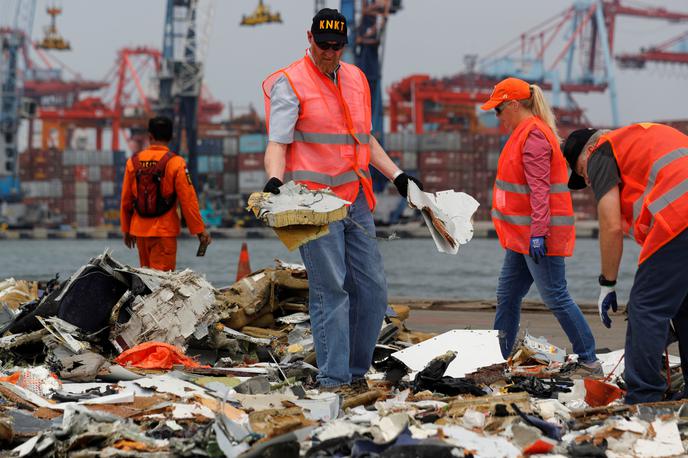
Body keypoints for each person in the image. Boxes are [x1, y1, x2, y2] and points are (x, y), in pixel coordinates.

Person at [261, 8, 423, 390]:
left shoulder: (356, 79)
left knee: (372, 290)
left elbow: (364, 139)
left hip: (355, 199)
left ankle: (354, 371)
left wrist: (397, 176)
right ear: (309, 38)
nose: (330, 53)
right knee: (330, 290)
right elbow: (277, 143)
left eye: (337, 46)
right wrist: (273, 179)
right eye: (324, 45)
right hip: (313, 206)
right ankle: (334, 380)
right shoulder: (291, 82)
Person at [480, 77, 601, 376]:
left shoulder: (533, 135)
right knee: (507, 295)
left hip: (538, 236)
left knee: (556, 296)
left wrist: (538, 234)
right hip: (521, 238)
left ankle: (589, 360)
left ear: (513, 104)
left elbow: (540, 191)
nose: (497, 117)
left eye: (498, 110)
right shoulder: (524, 132)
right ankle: (498, 360)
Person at [563, 123, 688, 403]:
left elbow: (610, 225)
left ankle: (644, 396)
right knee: (684, 308)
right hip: (681, 217)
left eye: (582, 172)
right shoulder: (644, 137)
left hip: (681, 215)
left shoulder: (602, 151)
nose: (587, 181)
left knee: (646, 308)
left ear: (588, 152)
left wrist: (607, 283)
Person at [120, 116, 211, 271]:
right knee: (161, 284)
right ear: (171, 137)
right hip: (164, 232)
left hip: (140, 232)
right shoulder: (176, 162)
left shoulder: (133, 162)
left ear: (149, 136)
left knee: (147, 280)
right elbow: (187, 199)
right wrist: (199, 230)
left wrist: (126, 229)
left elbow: (126, 199)